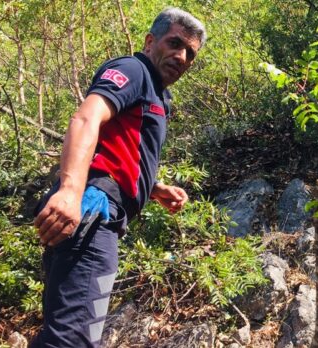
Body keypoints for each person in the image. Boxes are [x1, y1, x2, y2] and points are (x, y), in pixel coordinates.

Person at [30, 8, 205, 347]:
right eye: (175, 43)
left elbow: (115, 148)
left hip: (100, 210)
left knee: (66, 332)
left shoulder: (158, 94)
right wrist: (69, 190)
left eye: (190, 53)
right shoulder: (133, 69)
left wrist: (152, 188)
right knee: (74, 339)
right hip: (92, 211)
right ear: (150, 41)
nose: (182, 56)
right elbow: (86, 119)